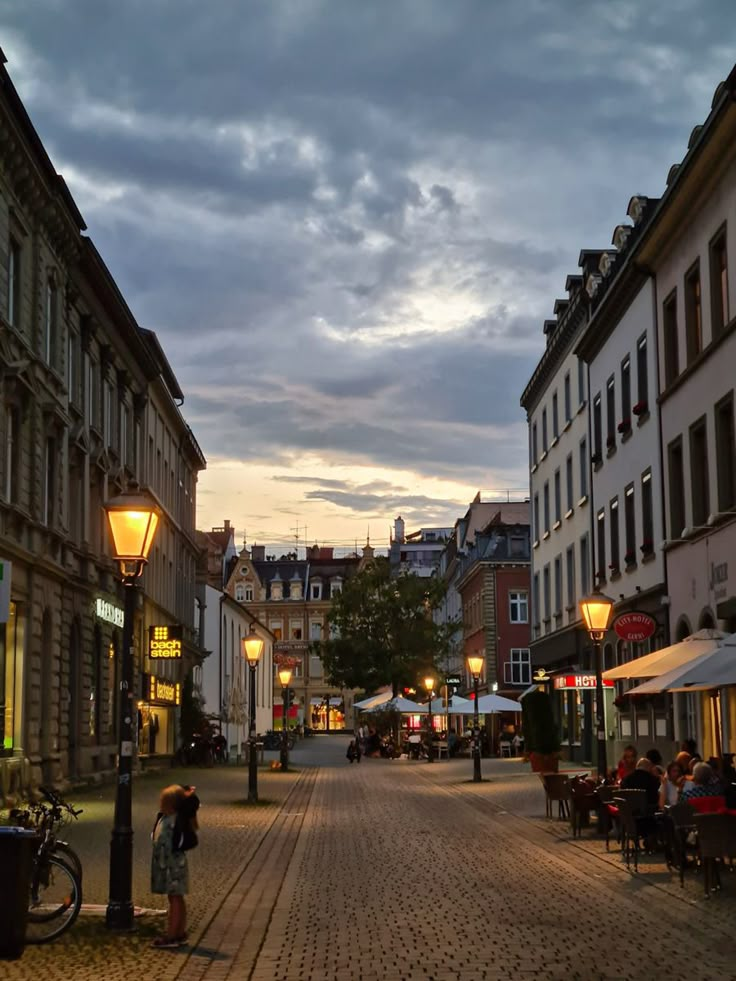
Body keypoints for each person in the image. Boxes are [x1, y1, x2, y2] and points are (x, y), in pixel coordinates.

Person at [150, 785, 191, 948]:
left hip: (172, 866)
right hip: (172, 865)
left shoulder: (173, 821)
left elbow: (168, 843)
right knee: (176, 897)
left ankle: (173, 935)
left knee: (175, 898)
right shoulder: (168, 818)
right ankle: (179, 932)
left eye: (163, 801)